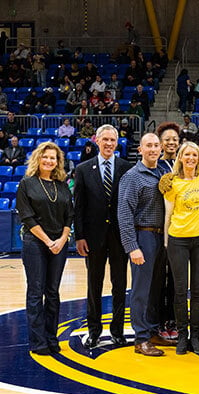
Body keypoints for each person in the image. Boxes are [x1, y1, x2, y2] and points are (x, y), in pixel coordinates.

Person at [74, 125, 132, 349]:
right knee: (93, 286)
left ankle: (117, 331)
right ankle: (94, 331)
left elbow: (130, 205)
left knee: (119, 286)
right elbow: (78, 207)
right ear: (97, 141)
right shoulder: (83, 169)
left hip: (119, 237)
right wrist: (79, 236)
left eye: (112, 140)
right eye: (105, 139)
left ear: (117, 143)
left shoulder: (126, 168)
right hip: (93, 237)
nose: (109, 144)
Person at [16, 142, 74, 355]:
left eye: (53, 158)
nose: (49, 161)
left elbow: (70, 214)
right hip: (35, 244)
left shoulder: (61, 185)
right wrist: (48, 241)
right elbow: (27, 217)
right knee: (35, 292)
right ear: (38, 159)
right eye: (45, 157)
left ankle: (51, 337)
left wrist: (62, 238)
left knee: (52, 292)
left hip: (60, 243)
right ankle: (38, 341)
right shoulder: (27, 183)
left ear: (58, 162)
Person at [158, 142, 199, 355]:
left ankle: (196, 336)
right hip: (178, 239)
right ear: (180, 157)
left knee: (198, 291)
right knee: (180, 291)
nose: (191, 158)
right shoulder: (172, 183)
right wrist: (165, 242)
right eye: (187, 154)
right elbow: (167, 215)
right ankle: (182, 336)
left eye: (195, 155)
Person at [118, 133, 168, 356]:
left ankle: (152, 331)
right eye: (148, 145)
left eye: (156, 145)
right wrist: (132, 246)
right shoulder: (132, 176)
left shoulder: (164, 173)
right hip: (143, 236)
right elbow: (124, 213)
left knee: (156, 289)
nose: (153, 149)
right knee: (141, 290)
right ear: (140, 149)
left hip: (162, 237)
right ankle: (140, 338)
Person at [150, 123, 179, 341]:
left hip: (181, 230)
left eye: (174, 139)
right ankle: (158, 322)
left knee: (177, 280)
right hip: (159, 229)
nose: (171, 142)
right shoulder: (155, 166)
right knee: (159, 279)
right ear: (160, 143)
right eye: (167, 139)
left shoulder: (187, 164)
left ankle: (174, 321)